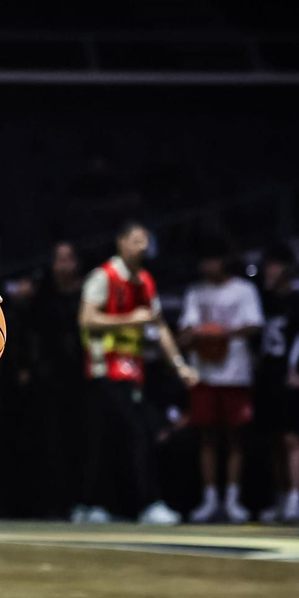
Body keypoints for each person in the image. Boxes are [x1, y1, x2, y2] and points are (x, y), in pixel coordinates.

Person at [78, 221, 198, 524]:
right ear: (120, 242)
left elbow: (160, 328)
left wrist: (180, 366)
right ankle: (138, 503)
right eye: (135, 240)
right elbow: (87, 319)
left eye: (145, 240)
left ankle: (99, 505)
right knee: (128, 434)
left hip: (133, 371)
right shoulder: (103, 277)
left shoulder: (145, 282)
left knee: (124, 436)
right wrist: (129, 319)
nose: (142, 246)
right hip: (103, 370)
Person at [178, 239, 264, 524]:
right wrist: (195, 336)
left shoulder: (244, 290)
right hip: (204, 373)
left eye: (212, 259)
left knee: (235, 437)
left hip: (235, 373)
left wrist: (218, 335)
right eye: (203, 260)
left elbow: (254, 324)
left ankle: (233, 499)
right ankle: (210, 498)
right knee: (207, 437)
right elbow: (187, 329)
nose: (207, 266)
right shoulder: (195, 292)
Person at [255, 242, 299, 523]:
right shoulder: (263, 300)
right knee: (273, 439)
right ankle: (280, 498)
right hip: (267, 378)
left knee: (291, 436)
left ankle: (295, 498)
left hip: (291, 378)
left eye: (274, 264)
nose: (269, 270)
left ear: (287, 268)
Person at [28, 242, 87, 519]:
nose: (63, 265)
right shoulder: (42, 296)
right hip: (50, 381)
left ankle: (83, 501)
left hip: (83, 379)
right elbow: (34, 337)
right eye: (58, 259)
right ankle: (54, 504)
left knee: (83, 442)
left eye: (68, 259)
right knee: (52, 445)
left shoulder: (88, 294)